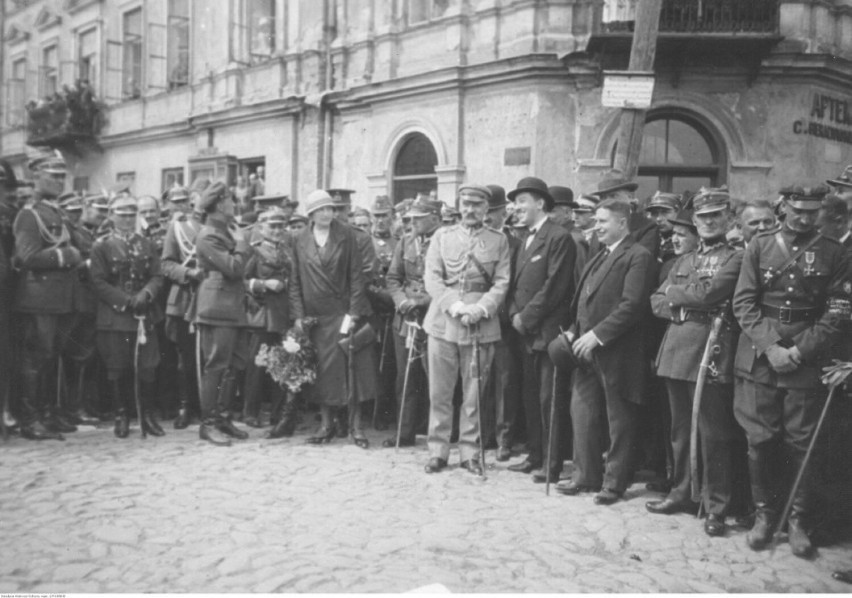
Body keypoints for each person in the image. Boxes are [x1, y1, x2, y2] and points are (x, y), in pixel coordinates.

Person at [733, 184, 848, 557]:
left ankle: (798, 521)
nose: (804, 218)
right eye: (798, 210)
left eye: (812, 212)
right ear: (784, 207)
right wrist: (771, 347)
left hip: (805, 359)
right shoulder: (760, 245)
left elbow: (837, 313)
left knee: (803, 444)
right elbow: (744, 302)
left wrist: (798, 351)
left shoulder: (836, 252)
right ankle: (765, 517)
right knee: (761, 439)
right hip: (762, 359)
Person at [648, 190, 744, 536]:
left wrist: (678, 299)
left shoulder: (735, 258)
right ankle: (682, 493)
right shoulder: (684, 260)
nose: (708, 222)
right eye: (702, 217)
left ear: (729, 218)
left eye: (716, 215)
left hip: (711, 351)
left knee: (713, 433)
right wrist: (683, 301)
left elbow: (711, 294)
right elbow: (656, 301)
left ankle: (716, 505)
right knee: (679, 431)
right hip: (675, 349)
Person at [556, 198, 653, 504]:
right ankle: (585, 475)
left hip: (617, 352)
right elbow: (585, 299)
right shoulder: (600, 255)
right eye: (596, 221)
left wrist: (597, 335)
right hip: (585, 349)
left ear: (622, 223)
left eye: (602, 221)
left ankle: (614, 483)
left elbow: (632, 305)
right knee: (581, 412)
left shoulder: (639, 256)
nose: (595, 226)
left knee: (618, 420)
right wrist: (575, 328)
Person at [422, 183, 510, 475]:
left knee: (474, 394)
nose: (471, 210)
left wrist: (481, 308)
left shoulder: (498, 240)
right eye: (467, 204)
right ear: (459, 205)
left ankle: (470, 453)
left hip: (480, 325)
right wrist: (456, 306)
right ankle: (438, 451)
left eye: (477, 205)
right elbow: (432, 278)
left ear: (487, 209)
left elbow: (501, 281)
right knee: (440, 392)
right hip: (443, 322)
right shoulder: (442, 236)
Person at [504, 177, 576, 483]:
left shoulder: (559, 238)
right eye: (515, 202)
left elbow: (554, 287)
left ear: (540, 204)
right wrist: (513, 314)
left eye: (522, 202)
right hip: (525, 333)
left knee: (550, 400)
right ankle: (535, 455)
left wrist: (526, 318)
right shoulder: (524, 241)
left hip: (545, 332)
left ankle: (552, 463)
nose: (516, 208)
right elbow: (514, 285)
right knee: (531, 397)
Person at [289, 190, 372, 448]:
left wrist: (355, 313)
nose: (327, 213)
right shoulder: (299, 239)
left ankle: (356, 427)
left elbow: (357, 277)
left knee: (351, 370)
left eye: (330, 209)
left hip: (342, 313)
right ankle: (326, 425)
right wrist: (298, 317)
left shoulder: (346, 235)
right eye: (321, 209)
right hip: (316, 318)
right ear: (311, 214)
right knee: (323, 373)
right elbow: (294, 282)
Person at [12, 150, 81, 440]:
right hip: (38, 300)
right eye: (53, 176)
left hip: (59, 299)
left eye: (62, 176)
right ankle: (29, 419)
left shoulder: (55, 212)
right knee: (35, 361)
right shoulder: (29, 215)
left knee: (52, 359)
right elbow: (27, 257)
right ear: (35, 176)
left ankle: (48, 413)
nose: (59, 181)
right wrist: (66, 256)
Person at [90, 195, 165, 438]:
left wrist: (146, 294)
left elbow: (157, 275)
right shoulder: (102, 245)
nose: (127, 219)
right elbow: (98, 281)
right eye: (122, 215)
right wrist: (125, 301)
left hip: (144, 314)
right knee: (118, 367)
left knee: (148, 367)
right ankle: (121, 414)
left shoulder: (146, 243)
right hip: (116, 316)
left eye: (132, 215)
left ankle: (147, 414)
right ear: (111, 216)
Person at [194, 181, 253, 446]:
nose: (234, 204)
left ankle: (223, 417)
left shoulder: (225, 232)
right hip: (217, 308)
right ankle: (208, 423)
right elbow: (234, 268)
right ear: (219, 204)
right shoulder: (208, 235)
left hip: (233, 306)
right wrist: (241, 244)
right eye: (230, 200)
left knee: (235, 365)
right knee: (217, 366)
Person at [383, 195, 442, 448]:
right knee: (405, 377)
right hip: (405, 317)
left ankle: (438, 435)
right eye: (411, 218)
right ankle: (404, 433)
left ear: (434, 218)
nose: (412, 222)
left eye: (419, 218)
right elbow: (393, 279)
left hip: (434, 316)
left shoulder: (445, 242)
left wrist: (422, 302)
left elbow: (447, 283)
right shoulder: (405, 242)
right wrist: (401, 301)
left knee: (436, 379)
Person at [242, 207, 296, 436]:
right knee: (257, 365)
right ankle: (250, 412)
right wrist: (263, 285)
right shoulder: (253, 252)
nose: (276, 231)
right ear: (261, 228)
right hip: (262, 316)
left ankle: (278, 413)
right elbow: (241, 281)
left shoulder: (288, 251)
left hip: (283, 315)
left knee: (280, 365)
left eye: (279, 226)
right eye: (271, 226)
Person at [484, 184, 523, 460]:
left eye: (491, 212)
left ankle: (504, 439)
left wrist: (507, 313)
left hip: (504, 323)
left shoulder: (515, 244)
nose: (486, 217)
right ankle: (481, 435)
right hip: (477, 320)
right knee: (479, 379)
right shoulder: (472, 241)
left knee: (505, 381)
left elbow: (519, 285)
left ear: (502, 214)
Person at [161, 183, 204, 428]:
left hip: (207, 295)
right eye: (175, 202)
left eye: (184, 201)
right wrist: (188, 273)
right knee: (184, 358)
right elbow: (166, 264)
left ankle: (206, 405)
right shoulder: (174, 229)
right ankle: (185, 406)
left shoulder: (205, 225)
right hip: (183, 298)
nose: (180, 205)